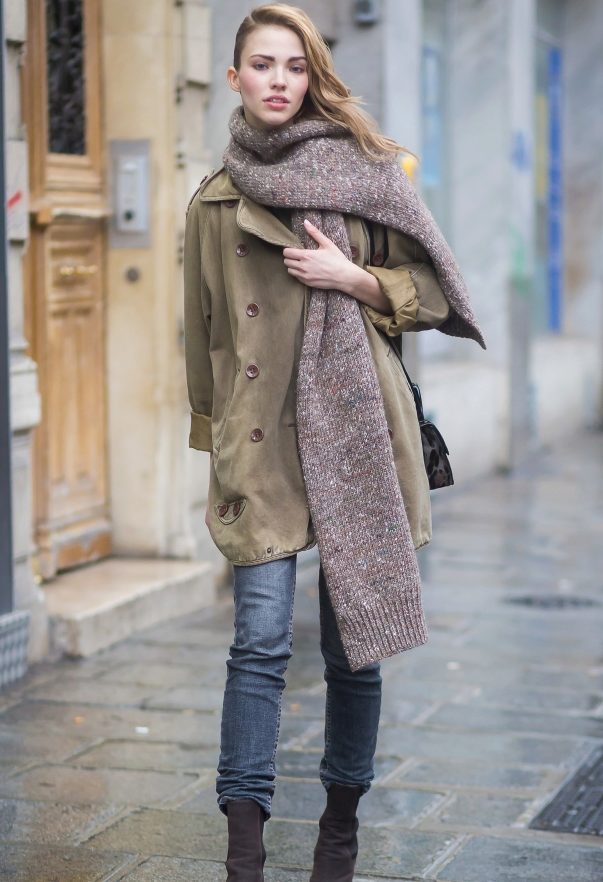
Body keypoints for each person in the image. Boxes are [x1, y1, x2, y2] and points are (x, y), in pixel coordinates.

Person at [183, 5, 484, 880]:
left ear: (312, 77)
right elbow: (204, 336)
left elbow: (437, 291)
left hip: (356, 435)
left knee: (354, 644)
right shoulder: (214, 200)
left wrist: (353, 278)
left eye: (293, 66)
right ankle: (244, 853)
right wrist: (215, 445)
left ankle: (339, 833)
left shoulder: (366, 174)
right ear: (235, 78)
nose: (277, 80)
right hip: (258, 445)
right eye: (261, 65)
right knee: (258, 643)